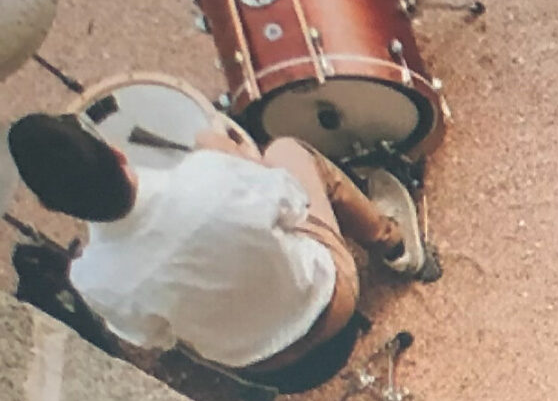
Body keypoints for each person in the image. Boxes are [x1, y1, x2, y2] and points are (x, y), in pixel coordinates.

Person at [8, 110, 421, 375]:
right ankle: (393, 244)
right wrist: (241, 161)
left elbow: (158, 339)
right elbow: (293, 204)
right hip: (330, 304)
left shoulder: (91, 280)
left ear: (50, 206)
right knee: (288, 151)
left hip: (264, 368)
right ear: (118, 154)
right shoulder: (208, 174)